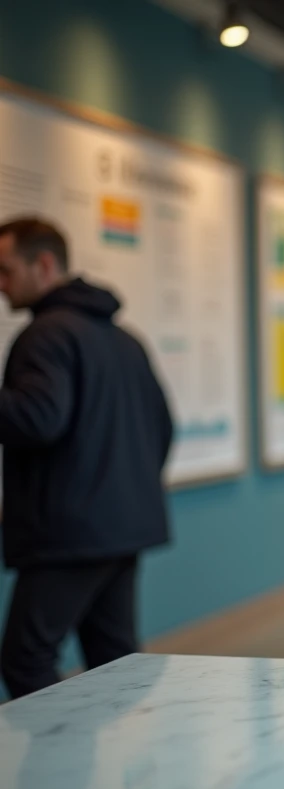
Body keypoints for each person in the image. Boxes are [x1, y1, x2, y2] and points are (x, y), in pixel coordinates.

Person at [0, 217, 173, 699]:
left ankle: (54, 772)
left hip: (68, 535)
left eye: (5, 269)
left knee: (25, 658)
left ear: (46, 264)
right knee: (114, 662)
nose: (0, 284)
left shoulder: (45, 336)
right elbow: (161, 429)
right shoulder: (125, 340)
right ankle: (109, 772)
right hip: (122, 529)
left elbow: (38, 418)